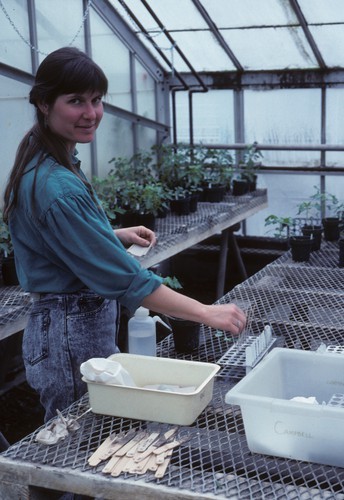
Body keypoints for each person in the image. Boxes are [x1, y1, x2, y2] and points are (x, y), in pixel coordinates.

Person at [3, 47, 247, 424]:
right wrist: (205, 312)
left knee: (90, 434)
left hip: (68, 328)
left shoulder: (44, 158)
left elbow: (50, 240)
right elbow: (124, 278)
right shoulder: (56, 185)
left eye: (97, 100)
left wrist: (108, 234)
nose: (91, 113)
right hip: (69, 332)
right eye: (75, 101)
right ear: (44, 104)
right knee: (83, 439)